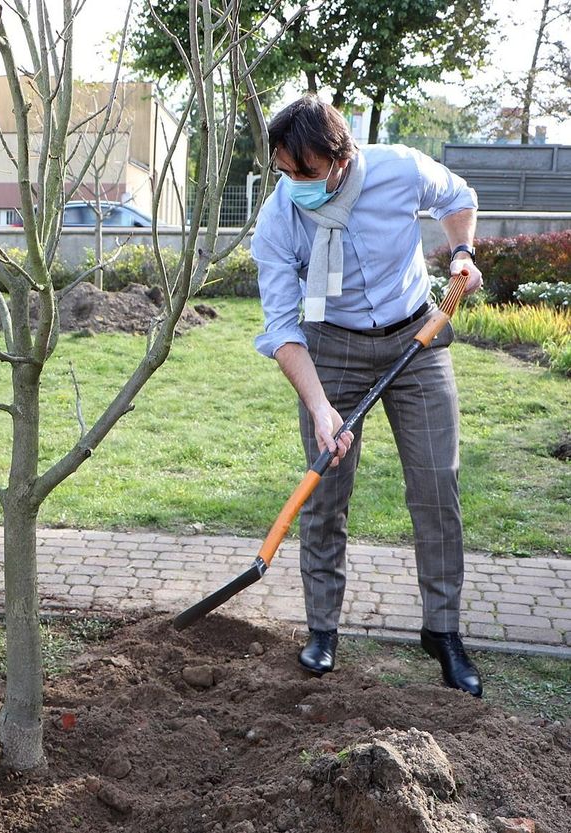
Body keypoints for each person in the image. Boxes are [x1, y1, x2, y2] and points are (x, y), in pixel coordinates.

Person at [250, 96, 484, 696]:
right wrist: (320, 405)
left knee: (437, 487)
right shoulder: (279, 217)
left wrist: (461, 252)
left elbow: (458, 197)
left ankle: (443, 632)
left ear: (342, 157)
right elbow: (281, 327)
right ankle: (323, 629)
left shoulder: (399, 169)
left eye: (305, 172)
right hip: (329, 349)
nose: (294, 184)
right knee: (325, 493)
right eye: (283, 170)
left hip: (416, 338)